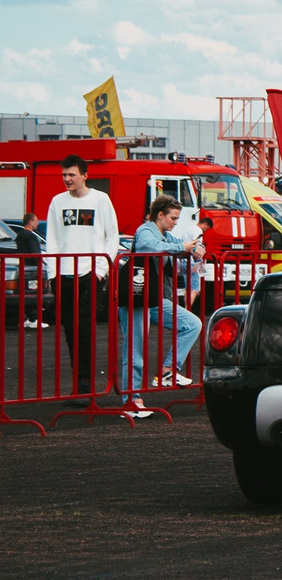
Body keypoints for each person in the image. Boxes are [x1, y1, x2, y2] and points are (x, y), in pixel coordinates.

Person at [43, 155, 119, 396]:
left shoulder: (101, 200)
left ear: (85, 175)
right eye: (64, 175)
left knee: (84, 327)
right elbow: (52, 239)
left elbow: (112, 237)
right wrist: (52, 273)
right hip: (63, 274)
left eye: (72, 175)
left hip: (89, 273)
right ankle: (79, 383)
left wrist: (100, 270)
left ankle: (85, 384)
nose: (67, 179)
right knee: (69, 329)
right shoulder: (57, 201)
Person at [127, 195, 204, 409]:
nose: (176, 222)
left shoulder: (166, 235)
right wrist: (183, 247)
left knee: (192, 324)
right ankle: (131, 401)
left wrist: (197, 249)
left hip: (154, 298)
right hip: (137, 297)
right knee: (134, 351)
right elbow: (152, 246)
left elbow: (180, 246)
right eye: (173, 218)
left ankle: (168, 371)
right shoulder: (145, 230)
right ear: (160, 215)